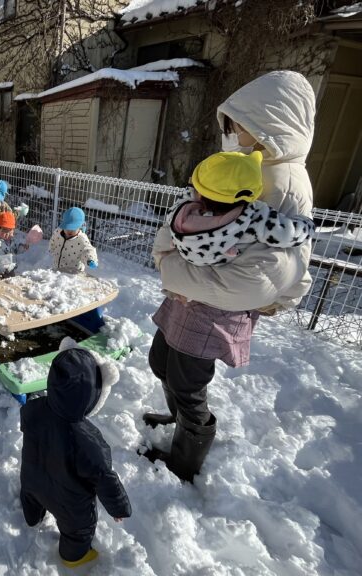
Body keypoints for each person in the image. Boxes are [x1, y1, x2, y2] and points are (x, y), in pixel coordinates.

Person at [144, 70, 317, 483]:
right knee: (161, 360)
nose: (229, 134)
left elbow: (261, 278)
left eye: (236, 127)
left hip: (214, 308)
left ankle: (187, 457)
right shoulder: (244, 166)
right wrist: (170, 262)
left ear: (267, 128)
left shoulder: (285, 184)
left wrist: (171, 269)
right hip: (190, 294)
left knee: (188, 385)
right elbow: (190, 212)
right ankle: (177, 417)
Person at [20, 346, 131, 568]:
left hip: (31, 478)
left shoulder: (33, 408)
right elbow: (103, 477)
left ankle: (32, 516)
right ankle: (73, 557)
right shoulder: (87, 441)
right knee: (79, 530)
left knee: (31, 496)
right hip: (70, 501)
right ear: (89, 397)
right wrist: (119, 508)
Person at [167, 151, 315, 267]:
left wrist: (193, 188)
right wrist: (307, 223)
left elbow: (189, 196)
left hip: (191, 258)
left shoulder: (179, 212)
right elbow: (287, 234)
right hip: (226, 265)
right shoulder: (252, 219)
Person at [0, 209, 30, 281]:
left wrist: (23, 247)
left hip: (10, 268)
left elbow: (16, 249)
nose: (8, 234)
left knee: (10, 284)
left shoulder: (12, 240)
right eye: (5, 230)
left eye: (10, 231)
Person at [49, 207, 98, 274]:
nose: (70, 231)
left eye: (73, 228)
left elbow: (88, 250)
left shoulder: (82, 239)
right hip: (57, 269)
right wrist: (51, 248)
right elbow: (53, 240)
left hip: (73, 273)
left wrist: (90, 259)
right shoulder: (58, 231)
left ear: (79, 226)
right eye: (68, 227)